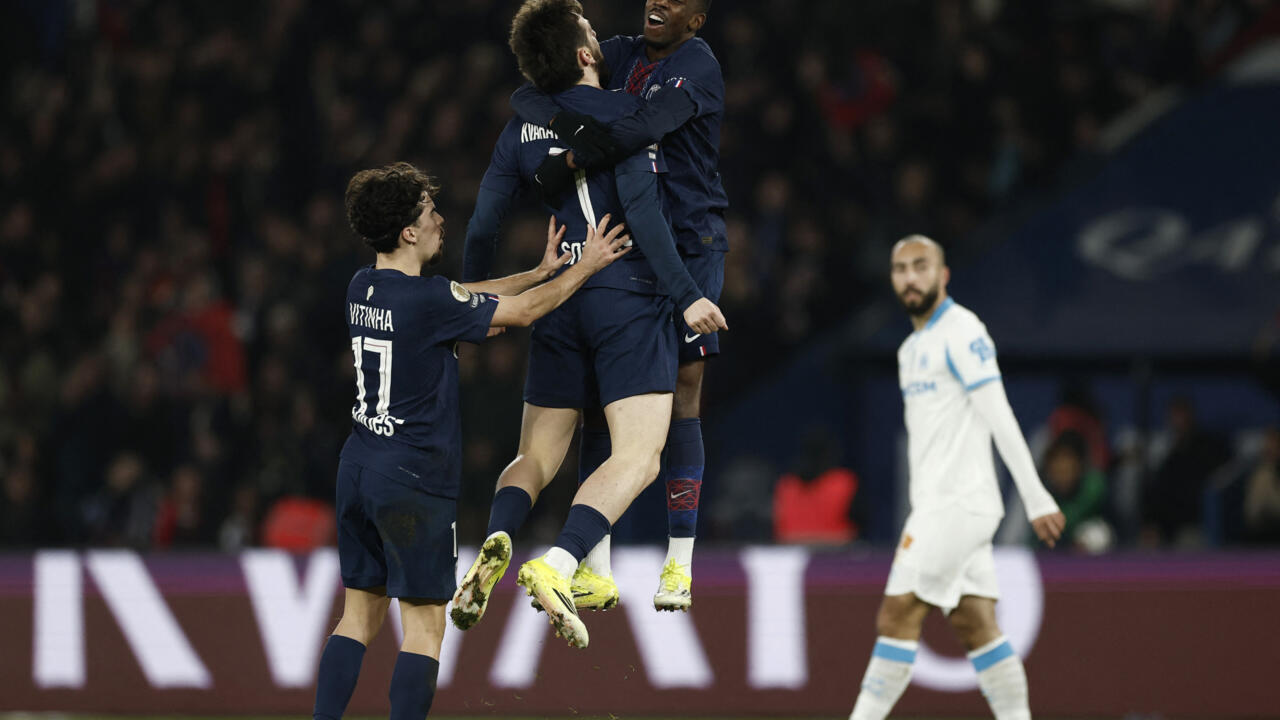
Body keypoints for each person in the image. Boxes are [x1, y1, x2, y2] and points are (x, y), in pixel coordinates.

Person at [311, 161, 631, 720]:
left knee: (357, 616)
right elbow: (523, 314)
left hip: (358, 467)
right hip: (412, 481)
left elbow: (463, 295)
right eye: (430, 213)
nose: (440, 221)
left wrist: (539, 270)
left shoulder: (363, 285)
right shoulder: (427, 302)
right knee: (426, 628)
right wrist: (588, 266)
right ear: (409, 231)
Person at [452, 0, 726, 649]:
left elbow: (486, 225)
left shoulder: (523, 125)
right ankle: (562, 560)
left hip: (560, 287)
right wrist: (684, 295)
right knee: (639, 451)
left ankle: (499, 538)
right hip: (630, 286)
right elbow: (640, 205)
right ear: (584, 54)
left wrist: (475, 306)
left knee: (536, 455)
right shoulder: (619, 98)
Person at [847, 236, 1066, 720]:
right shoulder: (910, 350)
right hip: (944, 506)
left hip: (958, 505)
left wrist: (1035, 498)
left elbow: (999, 414)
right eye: (900, 268)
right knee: (976, 625)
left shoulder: (963, 330)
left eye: (921, 266)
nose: (910, 277)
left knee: (896, 613)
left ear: (943, 275)